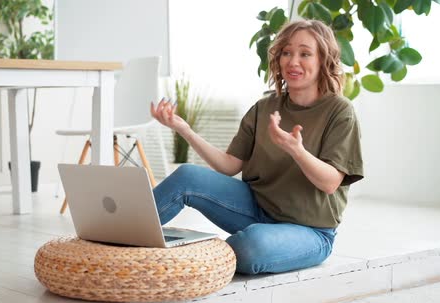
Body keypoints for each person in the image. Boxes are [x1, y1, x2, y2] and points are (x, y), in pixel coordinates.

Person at [150, 20, 363, 275]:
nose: (293, 61)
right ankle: (119, 238)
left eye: (305, 54)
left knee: (252, 246)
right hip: (256, 208)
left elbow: (330, 183)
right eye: (286, 52)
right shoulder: (264, 107)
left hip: (310, 231)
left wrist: (297, 150)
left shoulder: (340, 111)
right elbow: (229, 165)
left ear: (323, 61)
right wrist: (183, 129)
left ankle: (192, 259)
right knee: (187, 176)